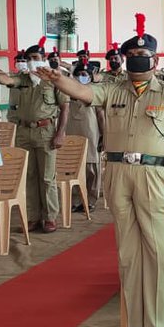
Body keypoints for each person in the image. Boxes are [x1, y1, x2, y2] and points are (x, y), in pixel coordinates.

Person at [36, 13, 164, 327]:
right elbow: (84, 91)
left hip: (154, 175)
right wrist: (59, 80)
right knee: (128, 254)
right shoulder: (113, 89)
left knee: (158, 254)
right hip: (119, 172)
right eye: (132, 54)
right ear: (124, 58)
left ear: (155, 59)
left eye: (144, 54)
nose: (138, 58)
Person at [0, 37, 68, 234]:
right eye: (30, 58)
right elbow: (7, 80)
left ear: (44, 59)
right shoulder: (23, 79)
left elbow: (65, 107)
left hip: (46, 131)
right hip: (24, 132)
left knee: (47, 177)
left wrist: (60, 133)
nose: (33, 61)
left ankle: (49, 217)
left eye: (36, 57)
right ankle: (33, 217)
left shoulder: (54, 80)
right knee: (30, 176)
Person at [65, 59, 104, 212]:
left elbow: (101, 116)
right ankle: (76, 200)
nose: (82, 77)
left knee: (92, 168)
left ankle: (91, 200)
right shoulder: (68, 92)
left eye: (85, 74)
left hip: (91, 135)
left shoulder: (95, 92)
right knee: (74, 167)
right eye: (79, 74)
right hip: (72, 134)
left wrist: (104, 135)